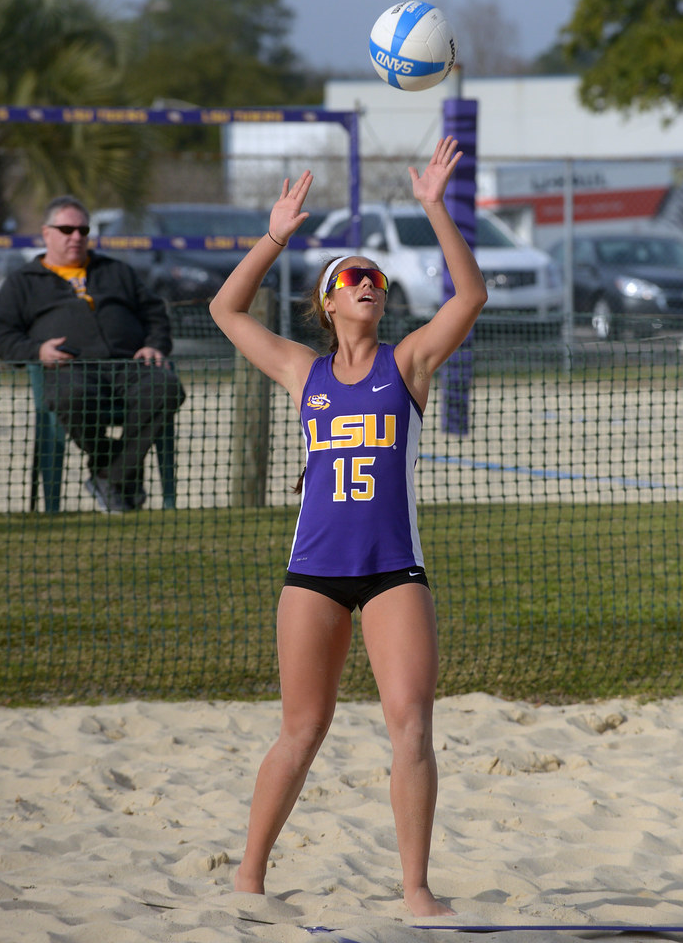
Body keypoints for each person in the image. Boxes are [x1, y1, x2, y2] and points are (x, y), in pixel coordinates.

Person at [209, 137, 487, 917]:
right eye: (350, 279)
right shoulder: (305, 370)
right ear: (328, 303)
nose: (366, 284)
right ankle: (248, 878)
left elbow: (468, 298)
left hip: (394, 567)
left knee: (411, 724)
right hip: (314, 574)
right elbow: (225, 311)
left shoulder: (409, 366)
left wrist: (434, 207)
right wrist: (274, 237)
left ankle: (415, 889)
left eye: (374, 279)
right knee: (301, 730)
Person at [0, 195, 185, 513]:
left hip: (129, 364)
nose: (76, 237)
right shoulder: (22, 282)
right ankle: (118, 473)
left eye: (83, 230)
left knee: (165, 387)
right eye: (67, 229)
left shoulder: (116, 270)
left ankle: (109, 476)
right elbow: (3, 337)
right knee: (72, 396)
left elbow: (155, 314)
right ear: (47, 233)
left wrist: (154, 344)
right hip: (69, 368)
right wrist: (37, 350)